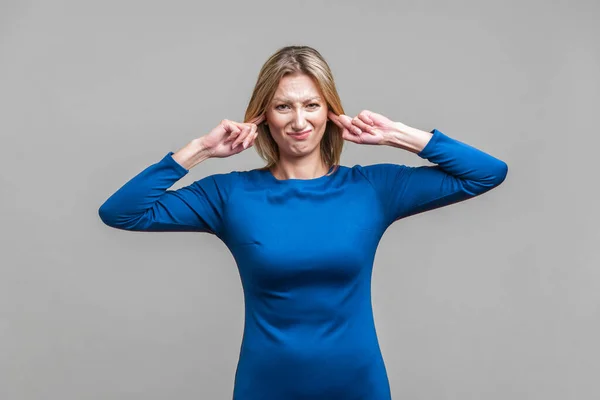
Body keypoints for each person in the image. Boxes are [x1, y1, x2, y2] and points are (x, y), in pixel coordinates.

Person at [98, 45, 508, 399]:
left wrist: (397, 135)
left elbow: (487, 172)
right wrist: (200, 150)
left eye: (311, 104)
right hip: (267, 388)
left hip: (357, 386)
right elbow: (122, 211)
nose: (299, 121)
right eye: (283, 106)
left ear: (330, 111)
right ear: (263, 117)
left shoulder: (372, 189)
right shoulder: (229, 196)